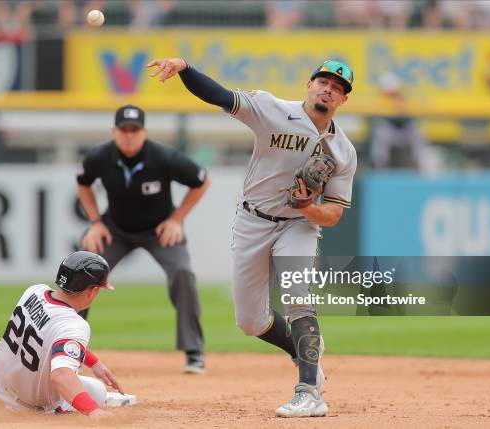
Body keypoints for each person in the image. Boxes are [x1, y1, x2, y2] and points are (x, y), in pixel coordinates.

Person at [146, 57, 358, 417]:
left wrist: (308, 207)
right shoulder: (271, 109)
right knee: (250, 322)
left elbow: (333, 214)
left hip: (298, 225)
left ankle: (309, 391)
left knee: (297, 295)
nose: (328, 89)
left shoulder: (343, 151)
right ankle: (302, 348)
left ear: (343, 100)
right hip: (253, 221)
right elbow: (219, 96)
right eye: (323, 82)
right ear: (309, 85)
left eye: (338, 88)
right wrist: (184, 68)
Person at [77, 104, 211, 374]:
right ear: (114, 132)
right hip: (115, 230)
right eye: (124, 130)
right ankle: (68, 345)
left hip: (158, 230)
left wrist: (177, 219)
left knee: (182, 272)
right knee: (81, 272)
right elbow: (83, 182)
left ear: (144, 132)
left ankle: (193, 352)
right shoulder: (99, 157)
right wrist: (95, 222)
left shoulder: (164, 157)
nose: (129, 135)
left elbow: (202, 181)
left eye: (134, 130)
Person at [0, 251, 123, 418]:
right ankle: (51, 412)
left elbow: (49, 337)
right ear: (92, 291)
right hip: (25, 406)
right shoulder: (75, 325)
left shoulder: (34, 291)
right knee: (97, 392)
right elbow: (61, 376)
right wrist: (93, 411)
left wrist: (94, 362)